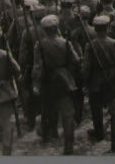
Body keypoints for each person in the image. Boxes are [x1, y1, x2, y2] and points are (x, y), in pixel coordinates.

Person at [32, 15, 81, 154]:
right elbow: (75, 60)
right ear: (56, 28)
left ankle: (48, 135)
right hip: (64, 80)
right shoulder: (66, 43)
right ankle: (69, 146)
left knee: (47, 109)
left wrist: (36, 83)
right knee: (67, 114)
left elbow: (37, 66)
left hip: (48, 80)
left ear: (44, 30)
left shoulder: (39, 45)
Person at [82, 15, 115, 153]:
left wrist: (85, 82)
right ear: (108, 28)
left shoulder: (90, 45)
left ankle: (99, 133)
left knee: (96, 109)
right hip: (114, 79)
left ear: (95, 29)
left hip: (96, 82)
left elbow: (86, 67)